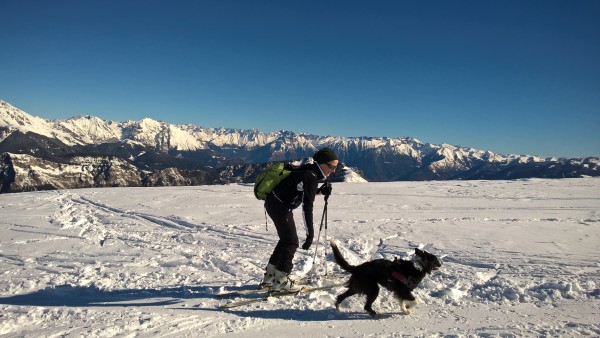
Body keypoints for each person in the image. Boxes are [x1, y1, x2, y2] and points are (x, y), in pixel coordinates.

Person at [260, 148, 339, 291]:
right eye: (331, 166)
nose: (333, 170)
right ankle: (281, 281)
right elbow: (307, 208)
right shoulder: (311, 176)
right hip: (279, 207)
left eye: (336, 167)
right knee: (291, 242)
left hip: (275, 203)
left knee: (286, 240)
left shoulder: (309, 171)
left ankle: (270, 277)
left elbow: (302, 188)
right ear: (321, 163)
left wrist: (319, 191)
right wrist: (310, 234)